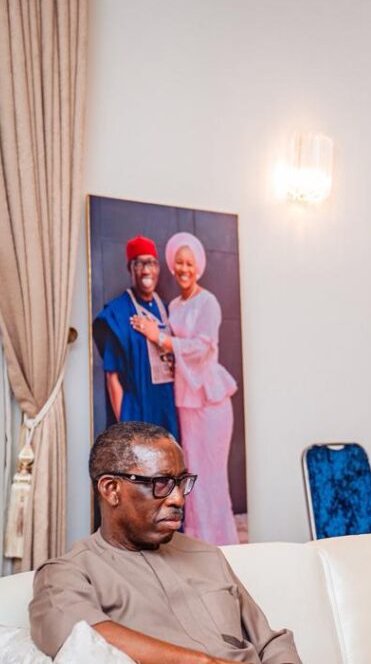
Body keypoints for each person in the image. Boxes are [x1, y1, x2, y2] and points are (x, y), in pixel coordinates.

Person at [29, 421, 300, 664]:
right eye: (161, 483)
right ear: (111, 489)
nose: (178, 498)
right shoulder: (67, 573)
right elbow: (81, 638)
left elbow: (270, 642)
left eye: (181, 482)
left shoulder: (206, 554)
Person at [130, 232, 240, 546]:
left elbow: (202, 348)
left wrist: (159, 338)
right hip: (186, 401)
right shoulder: (174, 305)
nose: (184, 268)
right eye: (179, 262)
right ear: (171, 265)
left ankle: (223, 546)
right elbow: (170, 347)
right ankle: (198, 544)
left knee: (212, 478)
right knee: (193, 475)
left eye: (189, 263)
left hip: (211, 400)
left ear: (199, 266)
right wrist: (156, 338)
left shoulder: (208, 302)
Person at [93, 235, 180, 441]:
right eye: (140, 264)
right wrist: (126, 429)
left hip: (167, 412)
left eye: (151, 263)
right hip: (137, 414)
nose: (147, 270)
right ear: (130, 268)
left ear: (158, 268)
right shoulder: (118, 314)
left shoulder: (167, 310)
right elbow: (112, 377)